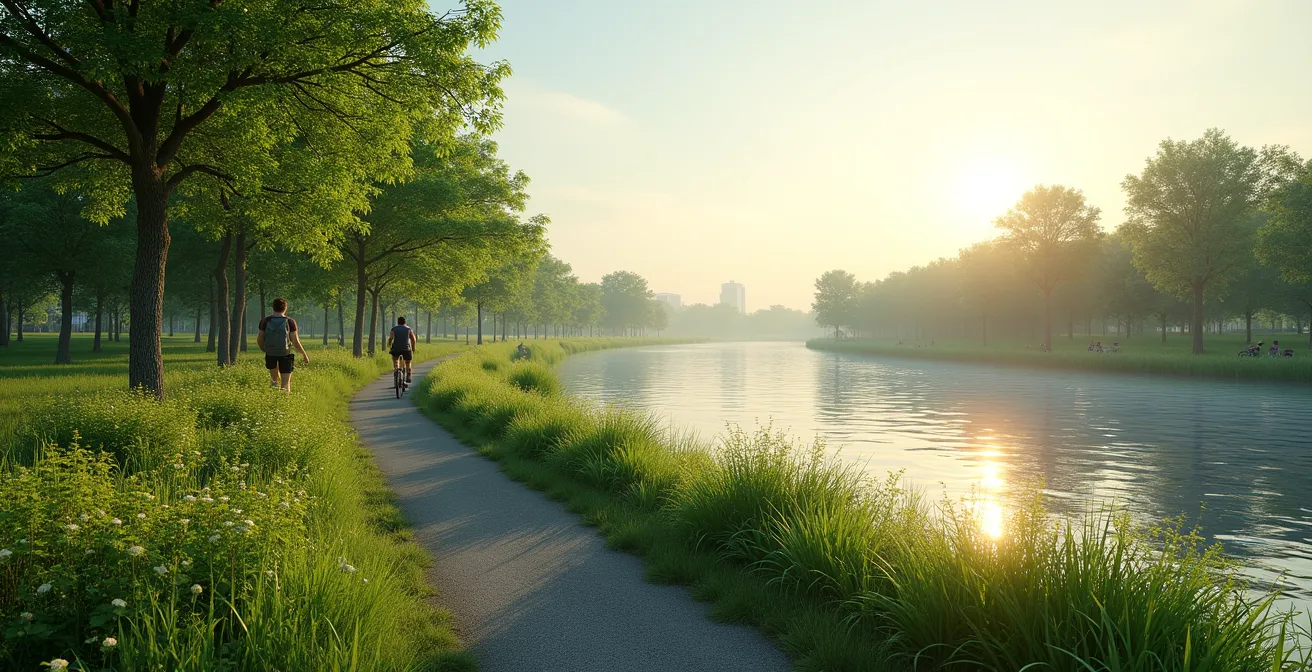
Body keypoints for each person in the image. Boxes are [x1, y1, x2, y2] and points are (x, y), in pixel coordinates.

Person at [258, 298, 310, 393]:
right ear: (285, 308)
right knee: (285, 383)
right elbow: (295, 341)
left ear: (273, 307)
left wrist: (265, 349)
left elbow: (260, 339)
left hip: (270, 354)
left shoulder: (265, 321)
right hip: (285, 354)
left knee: (274, 380)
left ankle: (274, 399)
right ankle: (285, 401)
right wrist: (304, 354)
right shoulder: (290, 321)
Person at [387, 316, 418, 383]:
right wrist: (413, 348)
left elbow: (391, 338)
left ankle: (396, 371)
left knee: (395, 359)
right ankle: (408, 375)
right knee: (408, 362)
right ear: (405, 322)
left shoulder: (394, 328)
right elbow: (413, 339)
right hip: (406, 349)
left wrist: (389, 345)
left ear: (398, 322)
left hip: (396, 348)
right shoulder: (408, 329)